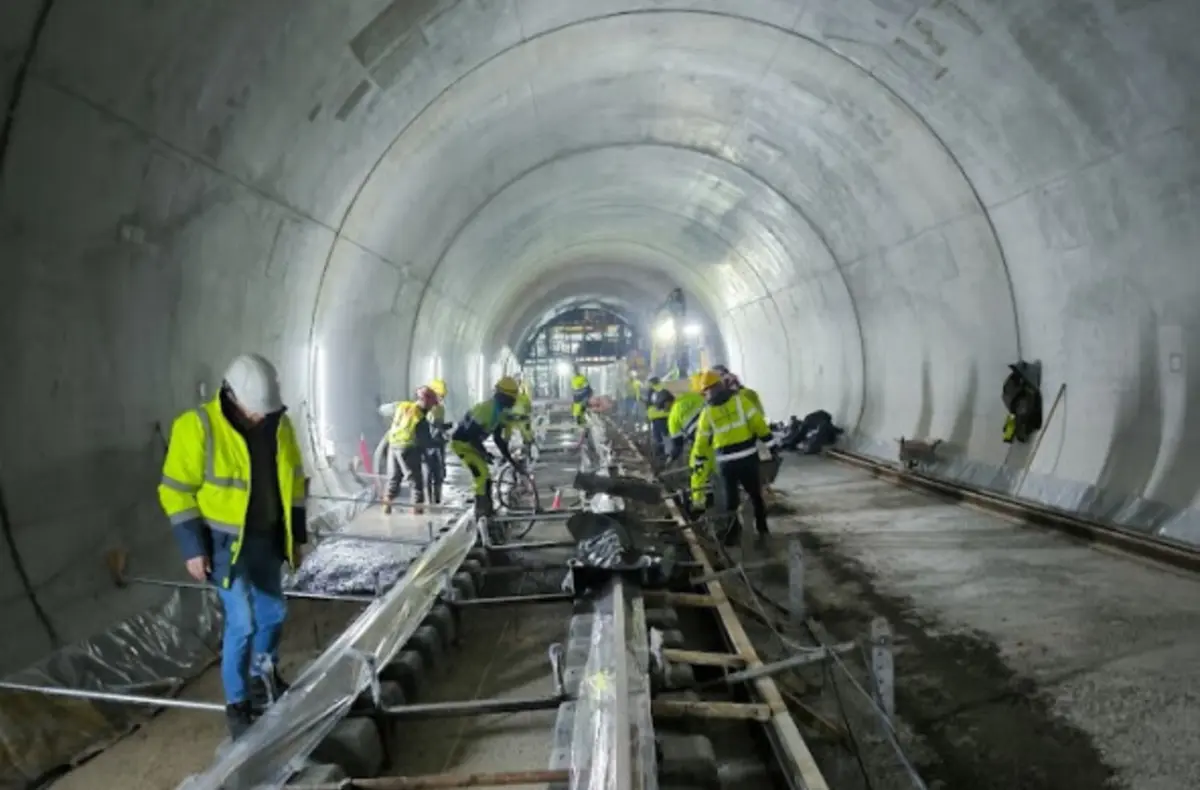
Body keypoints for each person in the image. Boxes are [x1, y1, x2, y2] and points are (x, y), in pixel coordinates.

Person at [158, 354, 308, 740]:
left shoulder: (280, 425)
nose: (260, 417)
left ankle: (263, 679)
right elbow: (175, 492)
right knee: (243, 622)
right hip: (225, 547)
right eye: (253, 410)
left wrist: (298, 538)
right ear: (231, 395)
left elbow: (293, 482)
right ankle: (238, 705)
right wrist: (193, 548)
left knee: (273, 614)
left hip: (267, 538)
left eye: (264, 410)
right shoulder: (198, 427)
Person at [691, 369, 778, 547]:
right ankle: (762, 530)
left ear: (706, 391)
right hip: (747, 458)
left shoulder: (707, 413)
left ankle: (733, 534)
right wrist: (771, 445)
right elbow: (758, 424)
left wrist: (699, 461)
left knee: (731, 501)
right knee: (755, 495)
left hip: (726, 463)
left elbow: (701, 440)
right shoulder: (740, 401)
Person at [450, 376, 524, 518]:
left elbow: (498, 440)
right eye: (512, 398)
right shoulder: (486, 410)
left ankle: (488, 510)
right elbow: (471, 435)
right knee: (481, 476)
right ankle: (481, 513)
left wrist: (512, 462)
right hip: (462, 445)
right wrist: (484, 453)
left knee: (486, 476)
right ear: (503, 396)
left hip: (472, 444)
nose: (514, 402)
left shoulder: (499, 412)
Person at [378, 386, 439, 514]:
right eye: (431, 405)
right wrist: (440, 441)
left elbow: (383, 410)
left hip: (393, 446)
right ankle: (418, 513)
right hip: (408, 448)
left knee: (394, 478)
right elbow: (426, 441)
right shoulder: (420, 417)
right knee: (416, 482)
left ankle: (386, 508)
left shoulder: (402, 406)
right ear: (425, 402)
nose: (431, 408)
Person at [665, 375, 709, 514]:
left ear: (667, 403)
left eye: (662, 407)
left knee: (696, 468)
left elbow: (677, 445)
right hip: (720, 435)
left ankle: (699, 504)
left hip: (703, 442)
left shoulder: (673, 417)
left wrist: (670, 459)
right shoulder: (692, 396)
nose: (663, 410)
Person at [425, 378, 451, 503]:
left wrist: (445, 428)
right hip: (429, 444)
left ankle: (437, 500)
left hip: (438, 444)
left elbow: (438, 426)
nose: (440, 399)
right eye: (439, 396)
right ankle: (429, 500)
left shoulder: (440, 408)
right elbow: (430, 427)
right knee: (428, 473)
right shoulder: (425, 408)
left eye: (442, 396)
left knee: (439, 473)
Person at [644, 376, 671, 459]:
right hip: (661, 416)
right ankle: (665, 453)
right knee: (662, 435)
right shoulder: (662, 388)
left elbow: (649, 404)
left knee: (660, 436)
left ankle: (664, 453)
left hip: (658, 417)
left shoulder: (654, 390)